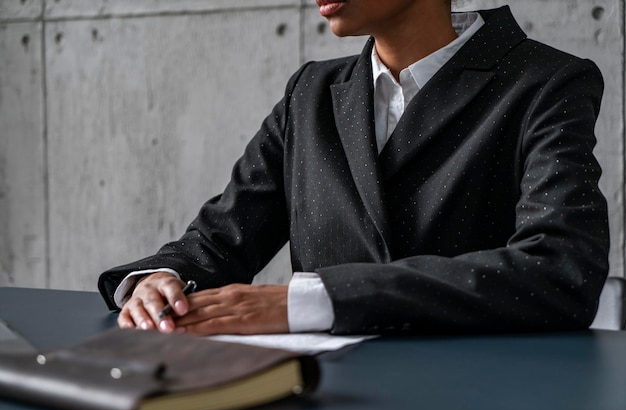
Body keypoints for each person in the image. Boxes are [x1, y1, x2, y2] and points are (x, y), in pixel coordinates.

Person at [98, 0, 609, 336]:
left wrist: (307, 302)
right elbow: (219, 240)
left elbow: (560, 269)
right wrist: (163, 280)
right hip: (327, 394)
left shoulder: (545, 83)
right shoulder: (311, 94)